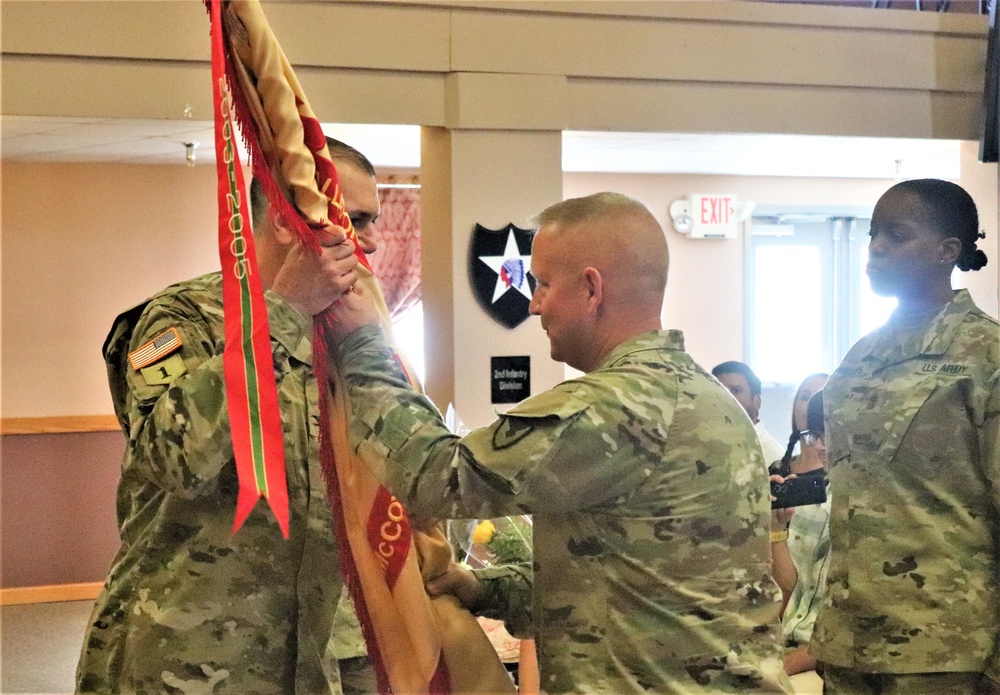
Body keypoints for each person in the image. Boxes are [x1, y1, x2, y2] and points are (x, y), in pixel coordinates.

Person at [328, 192, 792, 693]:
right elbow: (619, 586)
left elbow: (437, 476)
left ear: (591, 289)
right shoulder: (705, 395)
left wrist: (364, 344)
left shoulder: (615, 404)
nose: (533, 304)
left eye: (543, 284)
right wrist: (481, 588)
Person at [76, 138, 379, 695]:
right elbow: (176, 459)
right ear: (290, 222)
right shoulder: (179, 321)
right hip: (194, 654)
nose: (375, 241)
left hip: (323, 654)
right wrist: (283, 314)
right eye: (354, 220)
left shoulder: (349, 331)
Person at [810, 178, 1000, 694]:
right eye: (874, 235)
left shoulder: (985, 355)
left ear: (947, 251)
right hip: (848, 640)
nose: (877, 249)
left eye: (897, 236)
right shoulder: (857, 358)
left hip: (946, 648)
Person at [769, 390, 830, 680]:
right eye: (814, 435)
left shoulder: (881, 506)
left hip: (828, 658)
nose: (820, 446)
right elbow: (793, 589)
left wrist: (787, 665)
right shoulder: (815, 503)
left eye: (828, 433)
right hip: (788, 640)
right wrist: (776, 530)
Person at [713, 360, 787, 466]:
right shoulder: (707, 445)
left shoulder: (771, 455)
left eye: (735, 390)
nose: (726, 397)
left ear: (757, 402)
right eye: (720, 391)